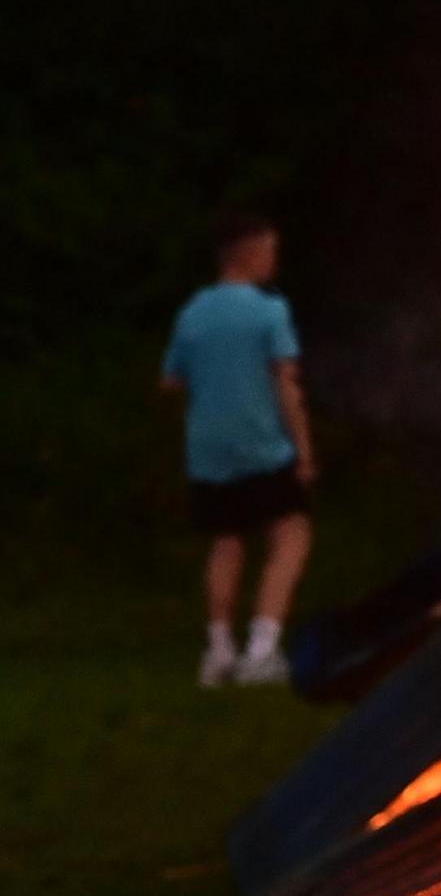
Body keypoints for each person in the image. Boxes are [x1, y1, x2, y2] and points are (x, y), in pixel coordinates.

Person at [160, 214, 316, 688]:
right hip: (260, 443)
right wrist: (304, 451)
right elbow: (285, 383)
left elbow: (170, 380)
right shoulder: (269, 311)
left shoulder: (193, 312)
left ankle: (219, 650)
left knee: (226, 542)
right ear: (248, 254)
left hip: (208, 449)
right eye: (269, 250)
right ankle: (261, 651)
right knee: (290, 534)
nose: (273, 259)